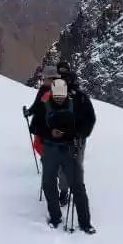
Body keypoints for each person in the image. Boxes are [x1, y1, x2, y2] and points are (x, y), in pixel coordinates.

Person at [26, 78, 96, 233]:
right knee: (48, 183)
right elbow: (35, 128)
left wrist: (72, 135)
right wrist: (49, 132)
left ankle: (85, 222)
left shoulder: (74, 105)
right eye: (56, 96)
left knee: (77, 186)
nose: (58, 99)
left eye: (61, 97)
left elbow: (84, 126)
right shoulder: (44, 105)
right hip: (50, 149)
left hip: (69, 149)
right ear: (52, 93)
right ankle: (55, 216)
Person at [28, 66, 71, 206]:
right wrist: (29, 112)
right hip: (44, 132)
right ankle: (58, 189)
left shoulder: (59, 91)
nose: (44, 80)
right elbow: (36, 106)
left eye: (46, 78)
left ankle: (63, 191)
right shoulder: (44, 90)